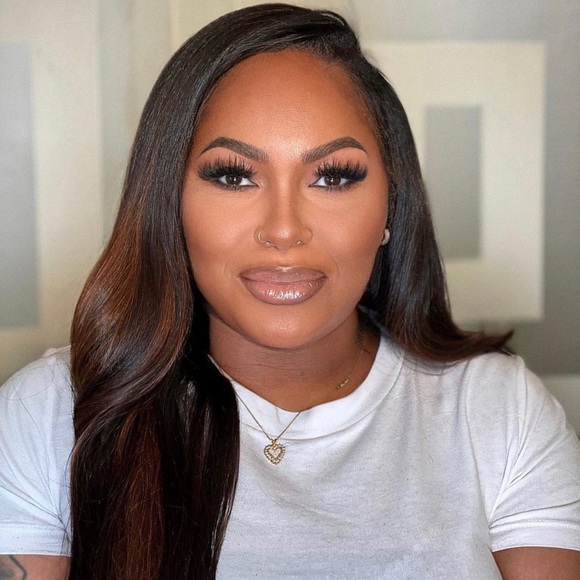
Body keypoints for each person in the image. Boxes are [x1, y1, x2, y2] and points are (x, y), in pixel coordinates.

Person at [1, 3, 579, 579]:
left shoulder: (498, 411)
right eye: (233, 176)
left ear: (390, 205)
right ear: (169, 202)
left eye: (333, 176)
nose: (283, 230)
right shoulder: (54, 413)